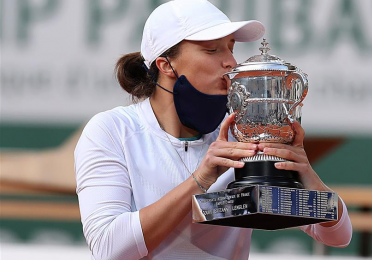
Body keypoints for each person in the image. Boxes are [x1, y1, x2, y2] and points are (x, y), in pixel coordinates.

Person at [75, 0, 352, 259]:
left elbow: (337, 235)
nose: (231, 61)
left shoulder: (243, 131)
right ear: (166, 65)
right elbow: (108, 247)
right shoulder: (111, 130)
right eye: (212, 49)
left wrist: (307, 178)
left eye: (231, 47)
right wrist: (200, 180)